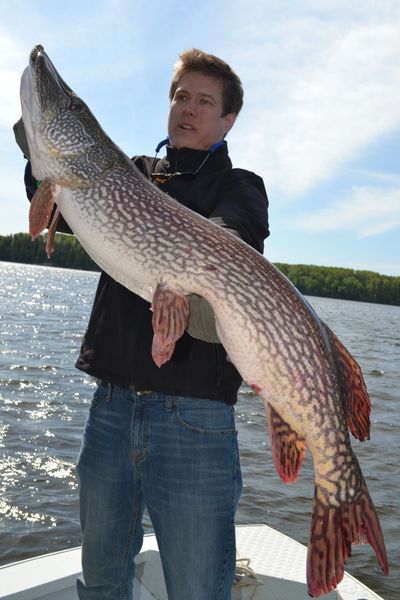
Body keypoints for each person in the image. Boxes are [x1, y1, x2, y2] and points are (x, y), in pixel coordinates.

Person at [18, 49, 269, 600]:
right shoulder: (130, 173)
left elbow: (230, 244)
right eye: (181, 96)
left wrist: (180, 267)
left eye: (205, 101)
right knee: (103, 581)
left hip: (194, 422)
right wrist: (36, 140)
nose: (188, 108)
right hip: (109, 410)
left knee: (197, 590)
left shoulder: (241, 187)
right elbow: (49, 194)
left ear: (228, 120)